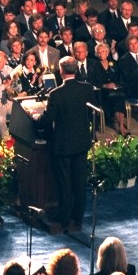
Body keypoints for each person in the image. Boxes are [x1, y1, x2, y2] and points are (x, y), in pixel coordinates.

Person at [43, 57, 98, 231]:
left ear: (61, 71)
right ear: (76, 70)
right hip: (81, 142)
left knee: (65, 182)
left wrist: (36, 117)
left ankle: (64, 219)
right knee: (80, 182)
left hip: (63, 144)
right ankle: (78, 218)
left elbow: (47, 120)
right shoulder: (87, 89)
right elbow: (91, 113)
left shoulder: (56, 93)